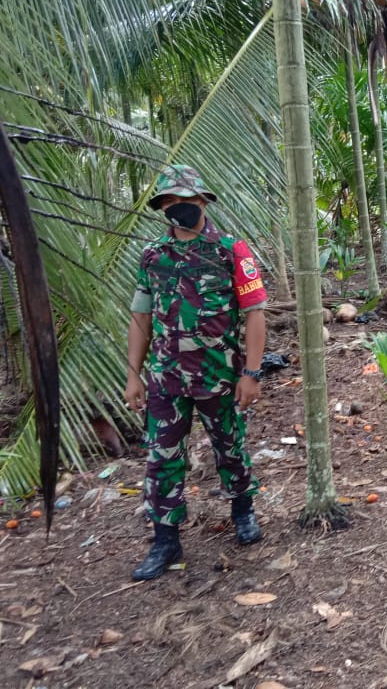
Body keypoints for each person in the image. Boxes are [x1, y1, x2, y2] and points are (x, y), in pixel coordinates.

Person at [124, 164, 268, 581]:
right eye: (169, 202)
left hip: (219, 376)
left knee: (230, 447)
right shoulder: (153, 255)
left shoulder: (230, 250)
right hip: (166, 379)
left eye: (185, 201)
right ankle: (165, 540)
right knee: (162, 458)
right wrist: (134, 374)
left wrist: (252, 373)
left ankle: (243, 511)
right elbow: (140, 317)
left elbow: (254, 313)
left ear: (202, 201)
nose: (177, 209)